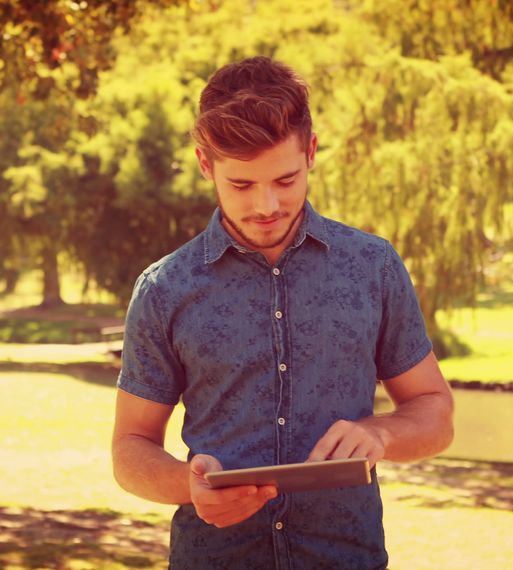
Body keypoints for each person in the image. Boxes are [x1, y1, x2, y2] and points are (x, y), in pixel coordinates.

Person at [111, 55, 455, 570]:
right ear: (206, 165)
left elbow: (435, 412)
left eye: (286, 179)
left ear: (311, 152)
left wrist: (380, 435)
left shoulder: (373, 266)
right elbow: (130, 449)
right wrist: (189, 486)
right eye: (242, 185)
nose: (266, 205)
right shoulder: (165, 288)